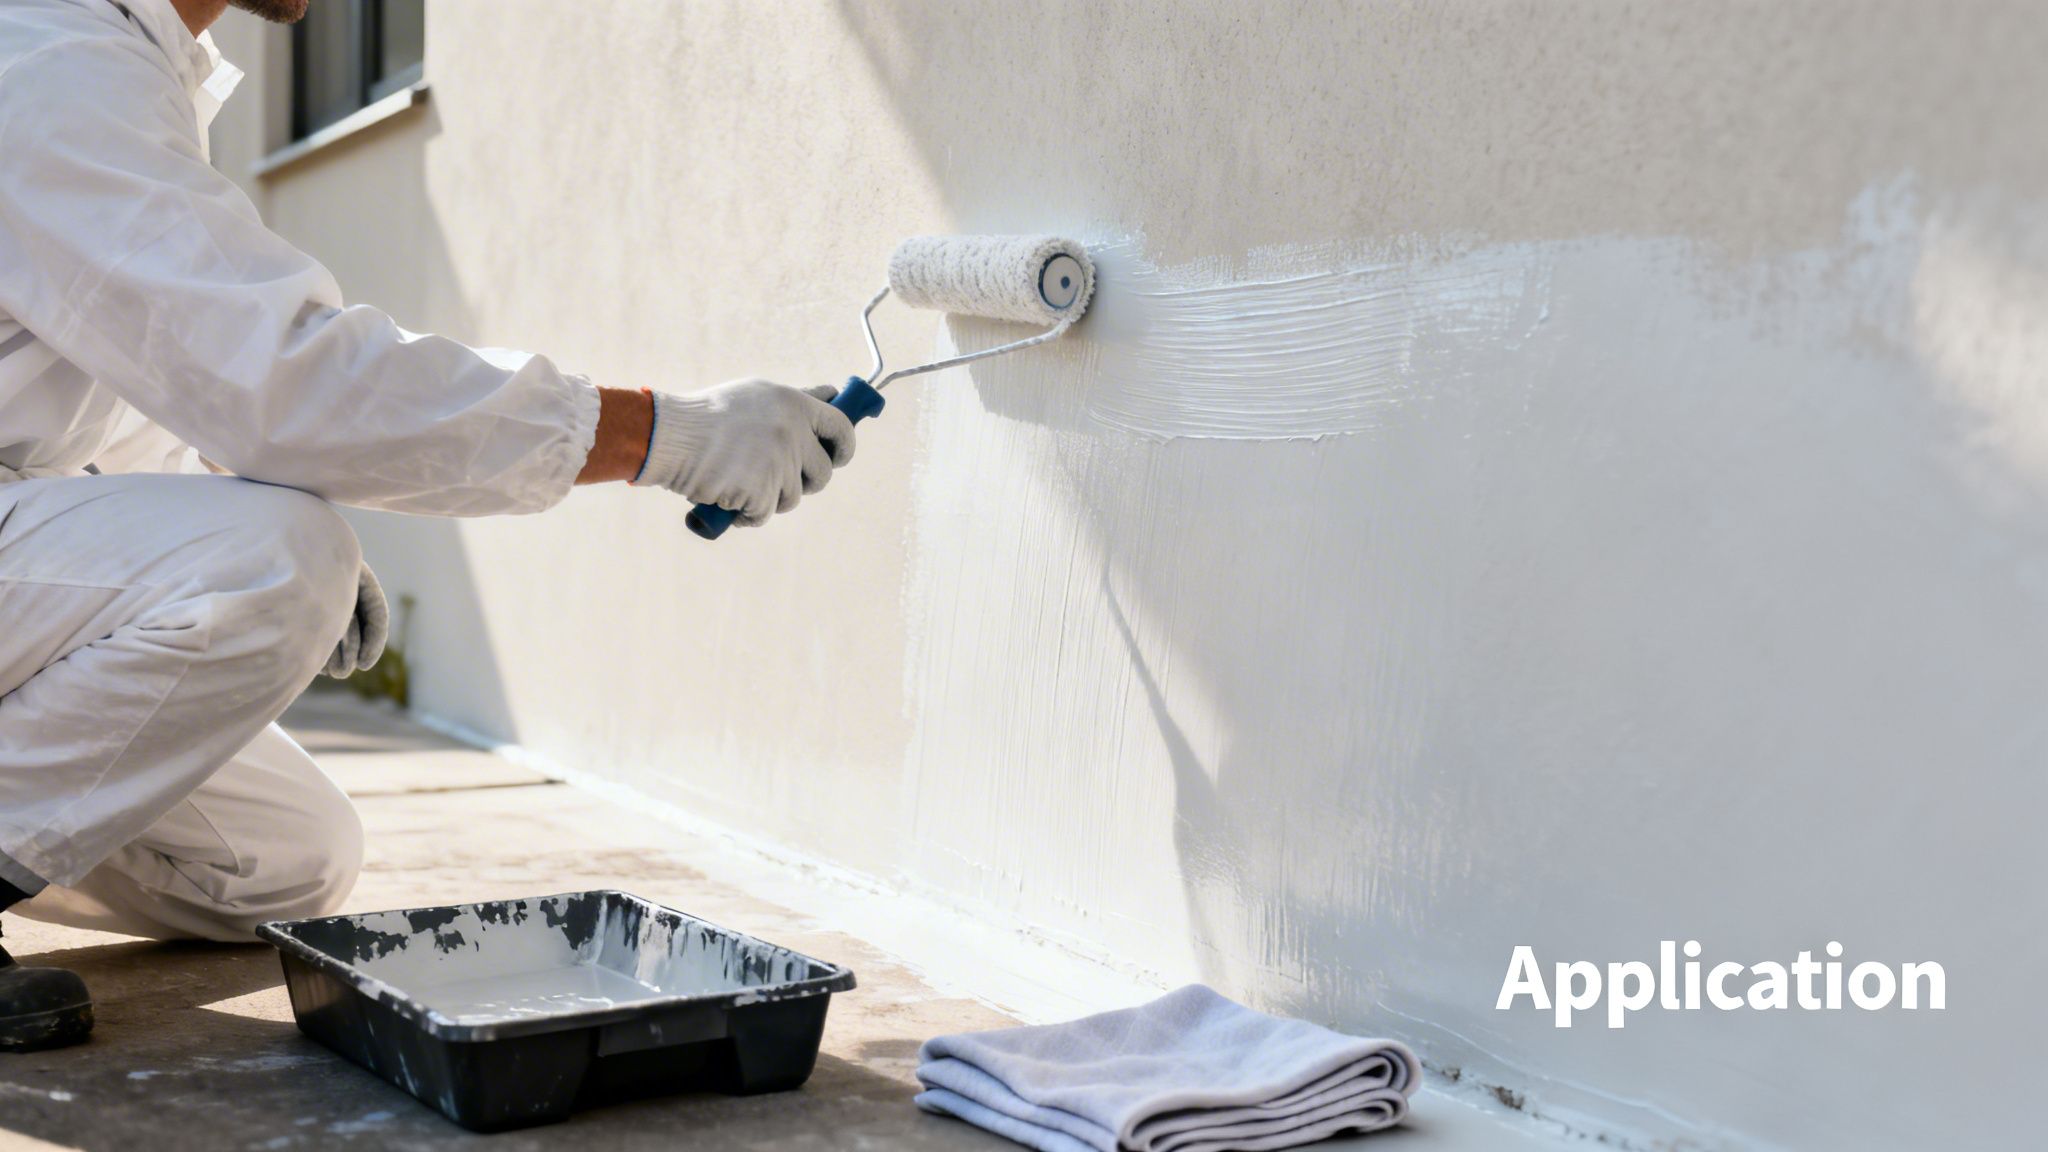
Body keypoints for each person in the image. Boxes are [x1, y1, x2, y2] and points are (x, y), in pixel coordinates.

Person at [0, 0, 855, 1050]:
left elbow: (131, 388)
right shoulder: (48, 60)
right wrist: (661, 435)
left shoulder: (130, 60)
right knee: (280, 562)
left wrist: (202, 525)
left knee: (282, 863)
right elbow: (285, 376)